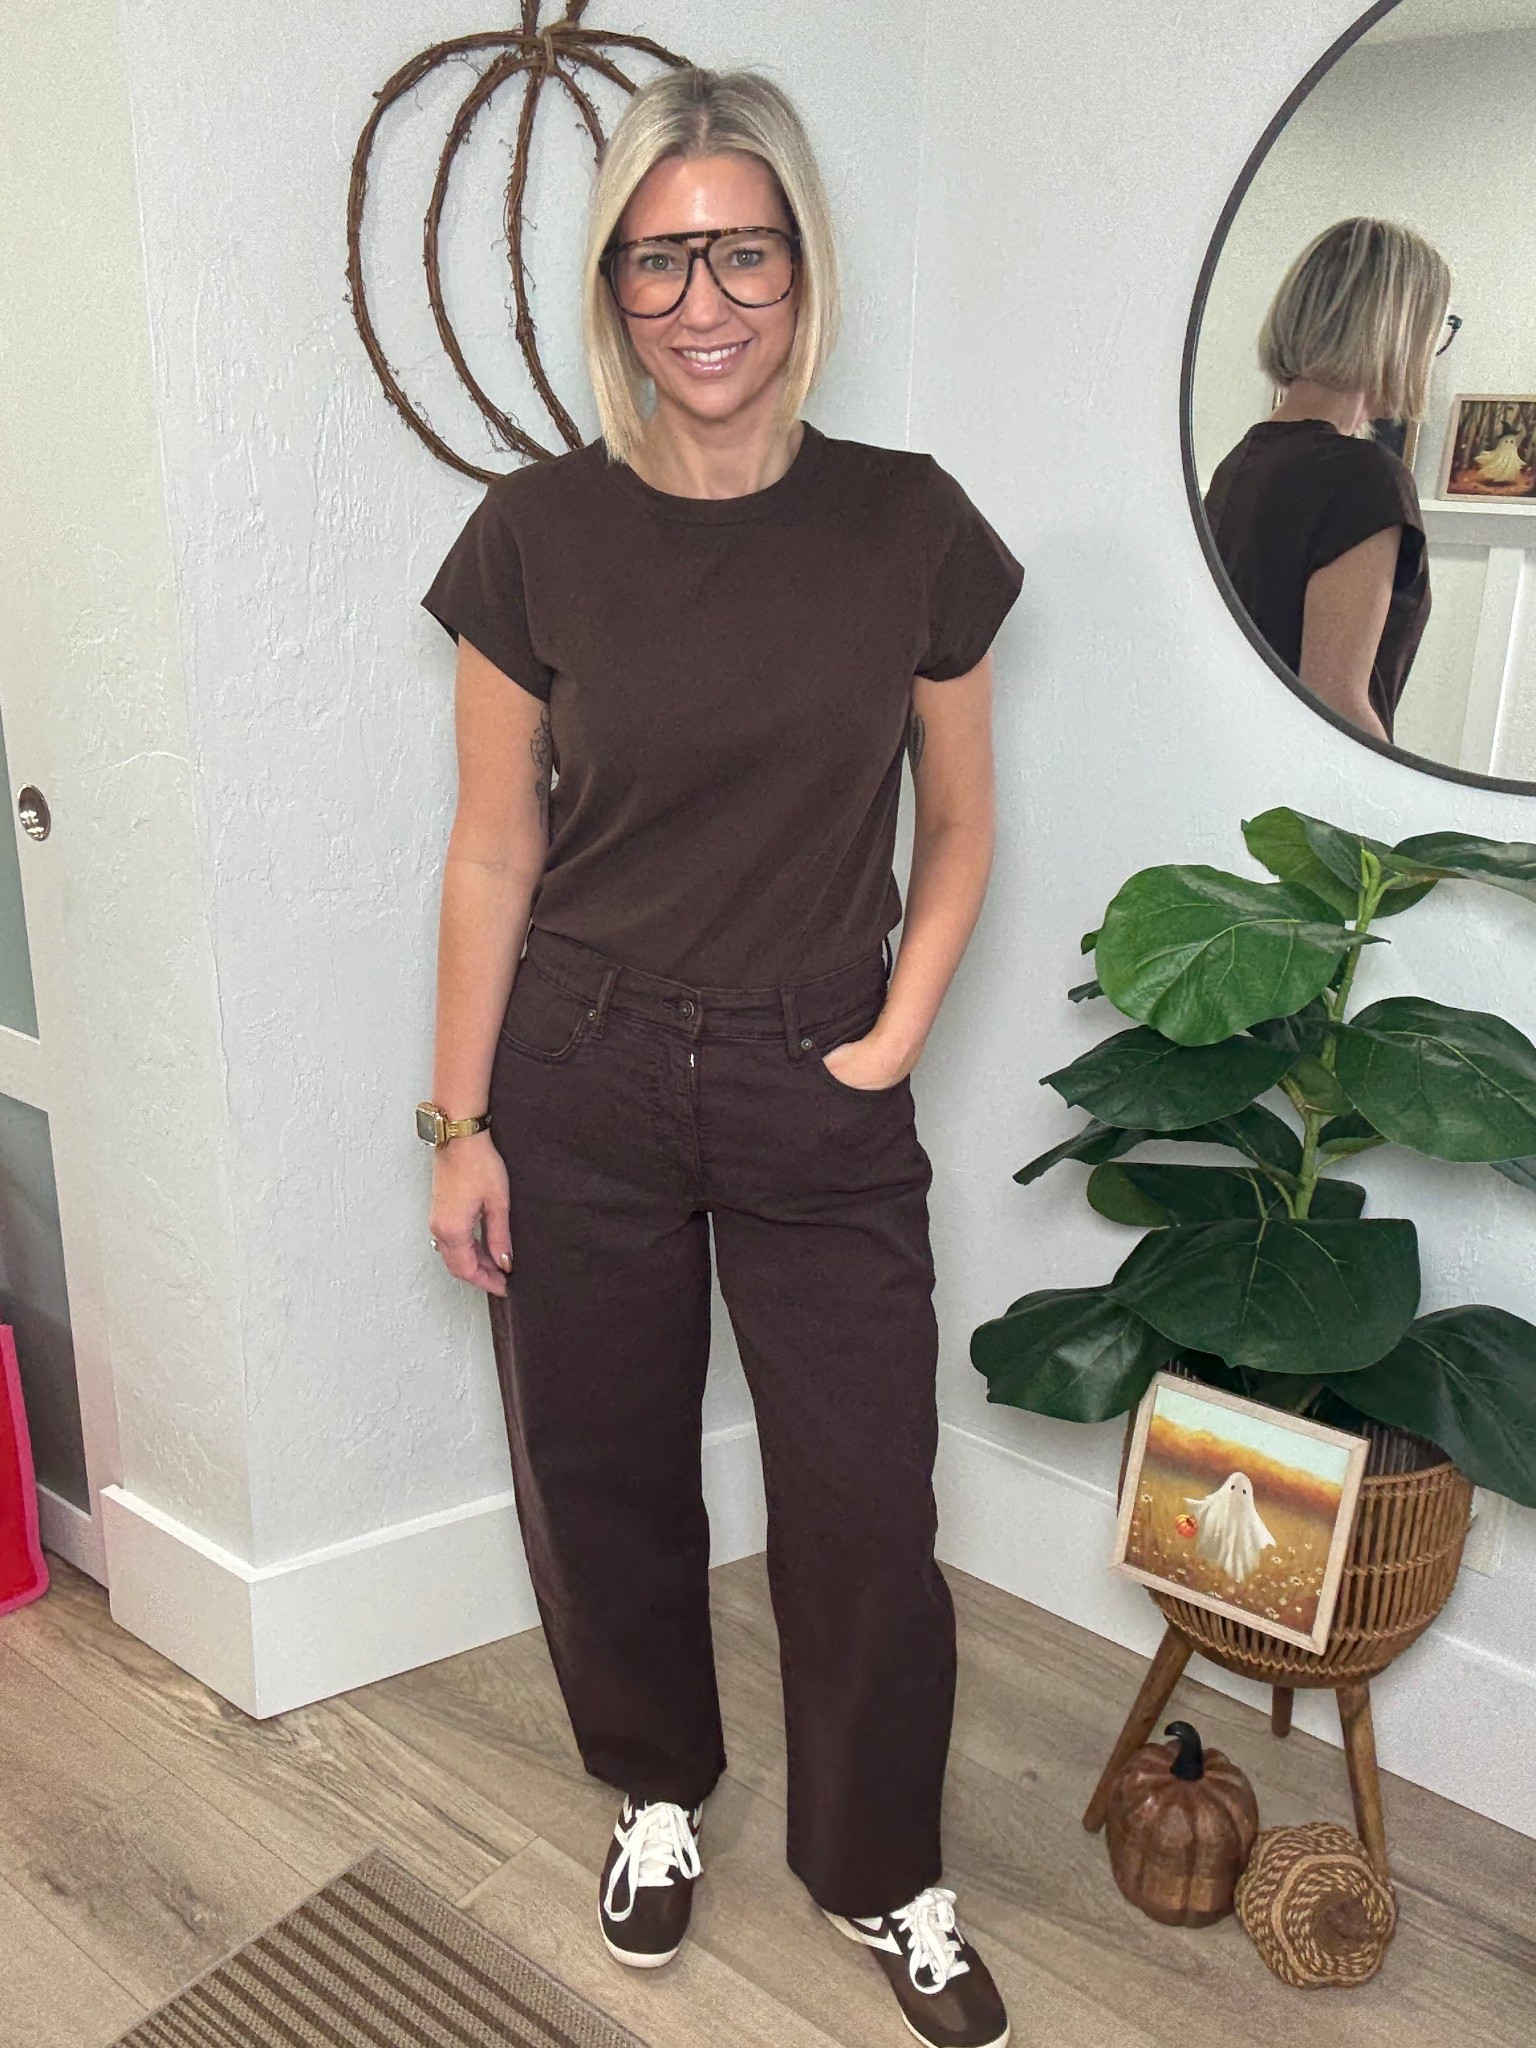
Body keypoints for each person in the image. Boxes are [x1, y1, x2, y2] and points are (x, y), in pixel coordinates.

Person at [416, 66, 1022, 2048]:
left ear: (797, 266)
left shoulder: (909, 524)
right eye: (659, 255)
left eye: (739, 249)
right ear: (617, 281)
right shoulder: (536, 534)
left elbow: (962, 821)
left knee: (860, 1500)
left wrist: (894, 1032)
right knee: (602, 1472)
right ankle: (658, 1791)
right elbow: (495, 845)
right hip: (576, 1067)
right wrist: (458, 1121)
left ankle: (884, 1872)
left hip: (809, 1070)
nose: (702, 297)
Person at [1203, 217, 1451, 743]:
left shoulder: (1243, 461)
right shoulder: (1366, 479)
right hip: (1310, 810)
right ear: (1399, 334)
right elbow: (1333, 700)